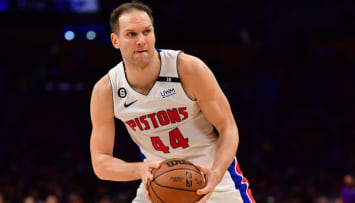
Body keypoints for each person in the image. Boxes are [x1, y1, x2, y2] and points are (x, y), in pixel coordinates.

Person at [90, 1, 255, 203]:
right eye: (131, 34)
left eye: (147, 32)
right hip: (158, 182)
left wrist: (217, 172)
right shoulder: (106, 91)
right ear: (115, 40)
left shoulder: (187, 69)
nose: (141, 40)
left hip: (212, 178)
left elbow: (228, 128)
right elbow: (100, 163)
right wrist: (140, 169)